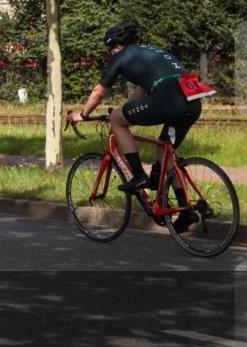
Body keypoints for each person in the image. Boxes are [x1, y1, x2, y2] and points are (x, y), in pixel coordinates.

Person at [67, 24, 214, 232]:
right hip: (192, 101)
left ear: (118, 45)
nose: (111, 53)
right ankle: (186, 209)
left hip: (167, 100)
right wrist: (123, 110)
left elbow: (99, 91)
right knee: (163, 151)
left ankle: (138, 176)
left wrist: (82, 115)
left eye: (111, 49)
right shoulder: (153, 52)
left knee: (117, 120)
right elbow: (141, 91)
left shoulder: (122, 55)